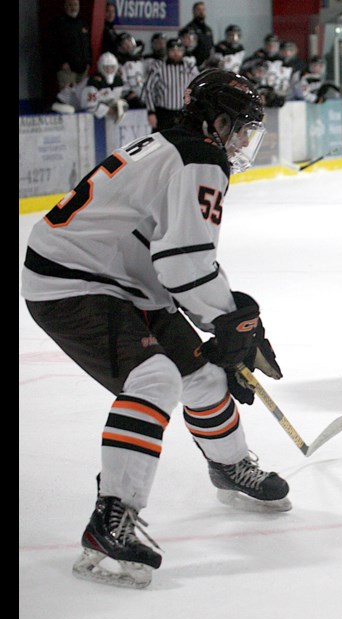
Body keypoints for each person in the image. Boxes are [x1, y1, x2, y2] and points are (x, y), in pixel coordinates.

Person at [20, 68, 286, 589]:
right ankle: (110, 519)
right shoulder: (201, 158)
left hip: (119, 277)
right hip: (73, 282)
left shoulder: (175, 144)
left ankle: (229, 466)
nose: (242, 143)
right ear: (217, 121)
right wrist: (231, 324)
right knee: (156, 379)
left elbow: (174, 258)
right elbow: (184, 263)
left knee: (204, 378)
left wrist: (229, 328)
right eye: (241, 130)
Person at [142, 37, 199, 132]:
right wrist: (151, 112)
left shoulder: (190, 67)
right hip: (163, 113)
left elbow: (198, 87)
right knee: (161, 142)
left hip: (183, 113)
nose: (176, 53)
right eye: (172, 50)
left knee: (181, 142)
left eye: (179, 50)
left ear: (183, 52)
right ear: (167, 51)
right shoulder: (158, 67)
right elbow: (148, 89)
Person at [50, 0, 92, 93]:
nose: (73, 7)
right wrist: (61, 62)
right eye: (70, 5)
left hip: (83, 69)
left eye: (75, 5)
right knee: (67, 97)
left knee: (81, 97)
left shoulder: (83, 23)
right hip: (67, 70)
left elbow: (88, 44)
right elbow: (53, 46)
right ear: (65, 6)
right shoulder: (58, 23)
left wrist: (88, 61)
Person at [81, 51, 127, 121]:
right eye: (106, 67)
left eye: (112, 67)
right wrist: (109, 110)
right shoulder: (93, 82)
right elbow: (88, 106)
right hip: (68, 103)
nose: (109, 70)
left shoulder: (118, 81)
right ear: (100, 67)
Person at [115, 31, 147, 109]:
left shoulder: (142, 61)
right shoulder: (120, 64)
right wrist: (130, 94)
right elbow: (122, 88)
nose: (129, 45)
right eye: (124, 43)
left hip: (144, 95)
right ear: (120, 47)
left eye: (129, 41)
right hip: (130, 99)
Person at [183, 1, 215, 67]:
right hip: (193, 66)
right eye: (198, 10)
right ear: (193, 12)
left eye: (203, 10)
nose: (201, 12)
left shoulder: (208, 30)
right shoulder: (188, 29)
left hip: (207, 66)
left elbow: (211, 48)